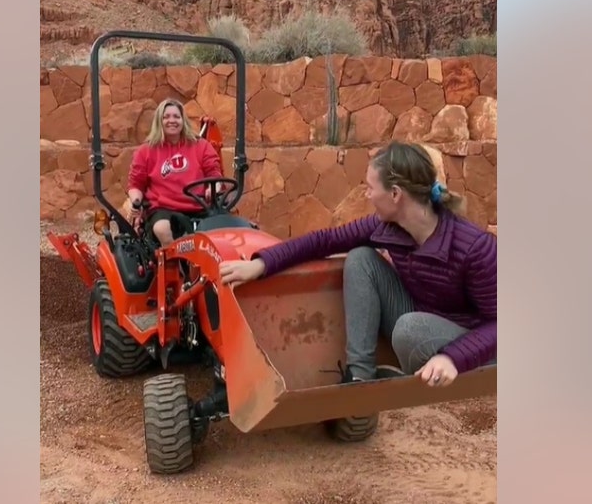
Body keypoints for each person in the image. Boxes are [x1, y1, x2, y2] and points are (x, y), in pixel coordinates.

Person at [219, 141, 496, 388]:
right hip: (420, 317)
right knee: (361, 258)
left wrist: (453, 358)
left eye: (370, 188)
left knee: (410, 330)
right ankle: (360, 378)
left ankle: (423, 379)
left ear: (395, 194)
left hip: (467, 337)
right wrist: (263, 264)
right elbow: (325, 240)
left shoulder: (474, 247)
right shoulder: (387, 227)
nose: (367, 195)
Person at [127, 98, 225, 247]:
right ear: (159, 121)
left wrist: (214, 188)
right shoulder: (146, 151)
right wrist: (136, 202)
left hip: (199, 206)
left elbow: (214, 173)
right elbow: (136, 184)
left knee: (229, 229)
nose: (171, 121)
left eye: (176, 116)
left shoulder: (201, 146)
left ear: (183, 120)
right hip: (163, 209)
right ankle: (176, 262)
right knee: (162, 229)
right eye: (166, 117)